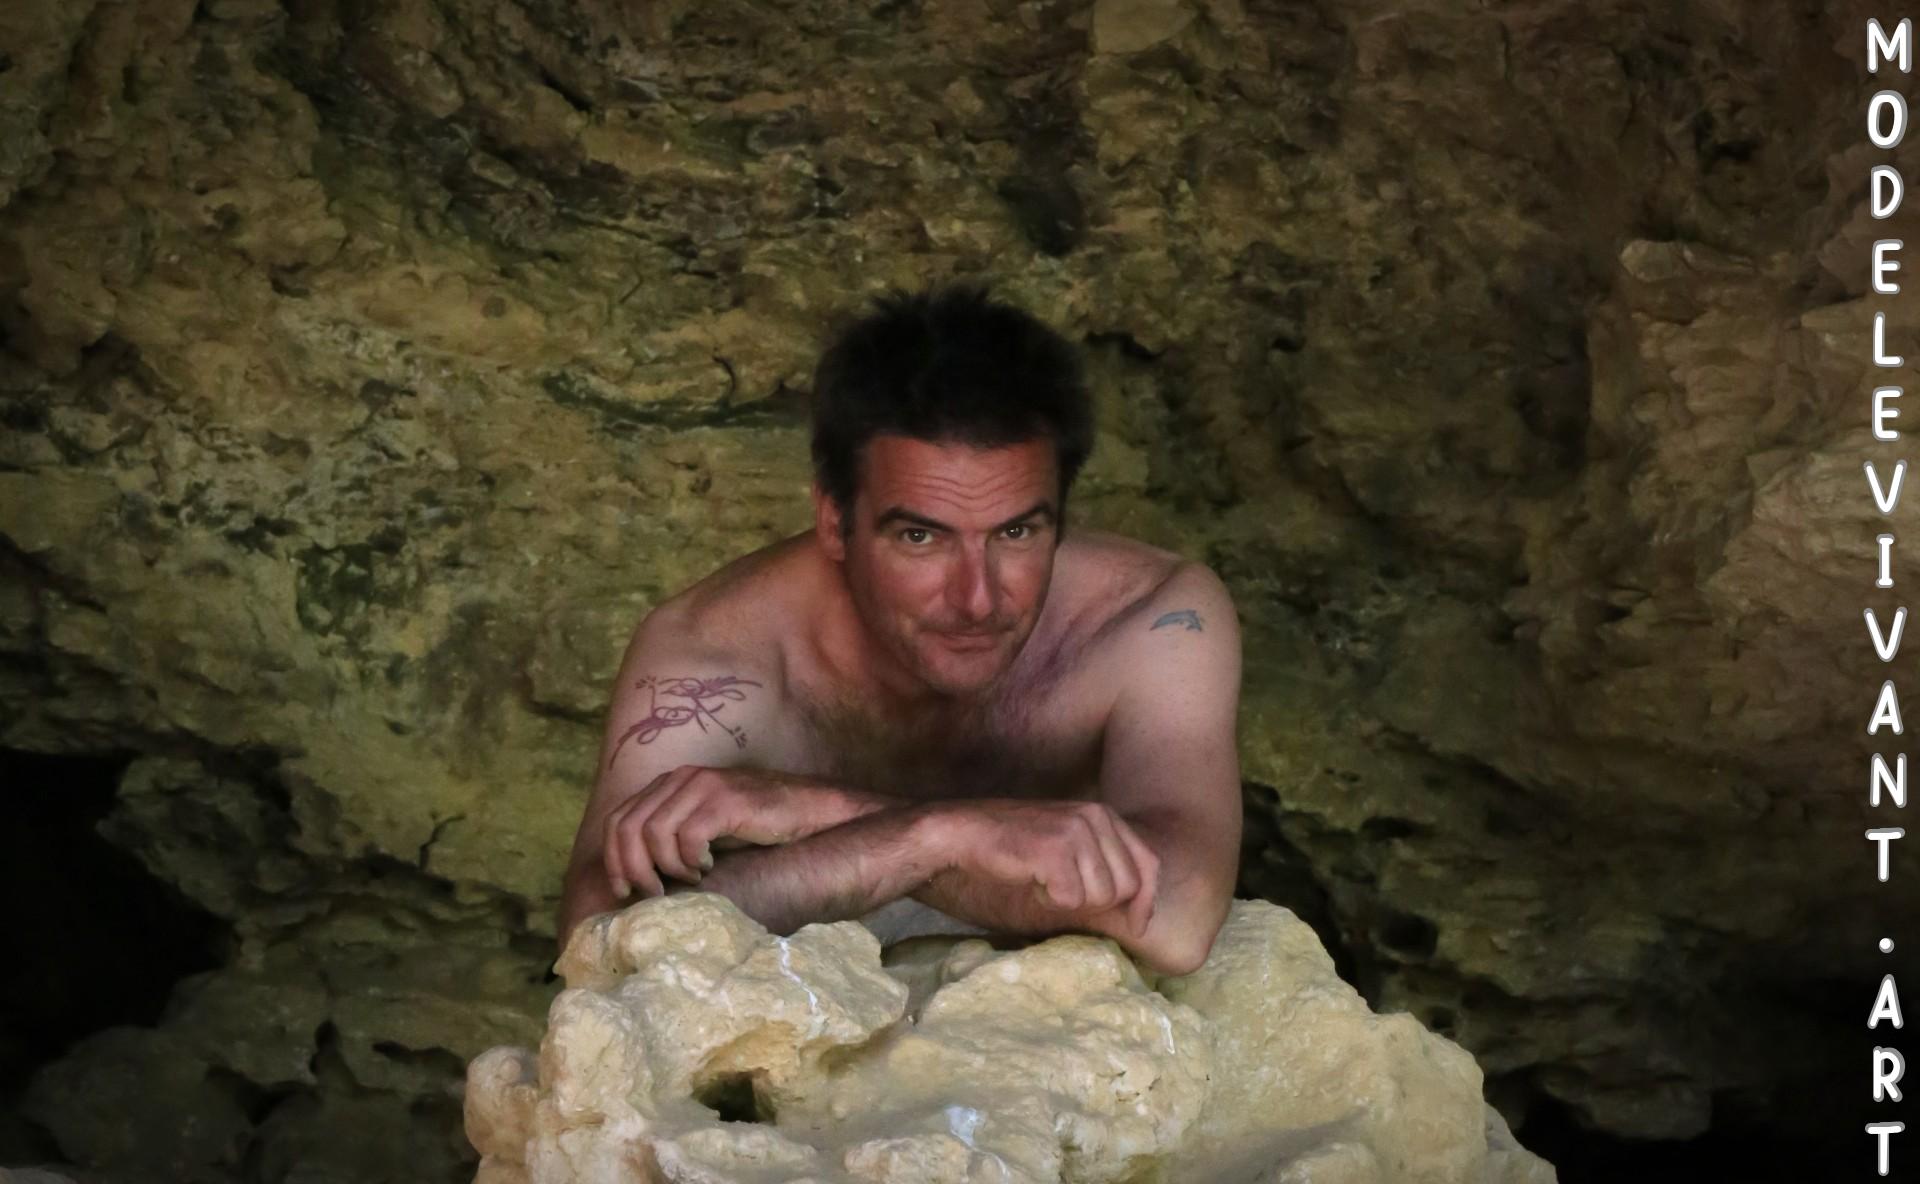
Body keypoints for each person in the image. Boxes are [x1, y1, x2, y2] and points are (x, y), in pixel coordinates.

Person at [555, 280, 1243, 976]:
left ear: (1061, 517)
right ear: (835, 523)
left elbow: (1178, 917)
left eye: (1016, 532)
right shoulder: (714, 660)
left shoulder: (1149, 620)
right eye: (920, 537)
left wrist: (820, 814)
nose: (977, 598)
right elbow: (600, 943)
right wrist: (944, 839)